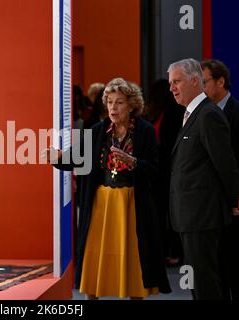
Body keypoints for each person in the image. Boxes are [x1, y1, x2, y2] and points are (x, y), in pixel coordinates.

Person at [44, 78, 171, 299]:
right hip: (101, 204)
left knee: (132, 256)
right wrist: (57, 158)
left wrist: (132, 162)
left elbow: (155, 171)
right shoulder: (97, 131)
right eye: (110, 102)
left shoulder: (145, 132)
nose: (113, 107)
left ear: (131, 105)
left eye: (119, 102)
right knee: (95, 255)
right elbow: (75, 158)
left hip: (131, 204)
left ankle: (134, 295)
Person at [168, 58, 239, 300]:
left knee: (205, 283)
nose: (172, 88)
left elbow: (225, 164)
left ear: (194, 80)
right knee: (198, 283)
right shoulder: (191, 113)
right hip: (190, 216)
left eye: (177, 81)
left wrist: (233, 200)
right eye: (171, 83)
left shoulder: (208, 115)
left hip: (202, 215)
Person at [201, 59, 239, 300]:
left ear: (220, 81)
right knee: (215, 269)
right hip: (209, 207)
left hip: (237, 207)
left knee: (236, 266)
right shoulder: (201, 114)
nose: (201, 88)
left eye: (204, 81)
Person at [145, 79, 185, 266]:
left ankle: (176, 251)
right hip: (157, 173)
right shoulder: (153, 114)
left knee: (173, 214)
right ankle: (161, 251)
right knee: (159, 214)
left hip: (170, 172)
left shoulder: (172, 113)